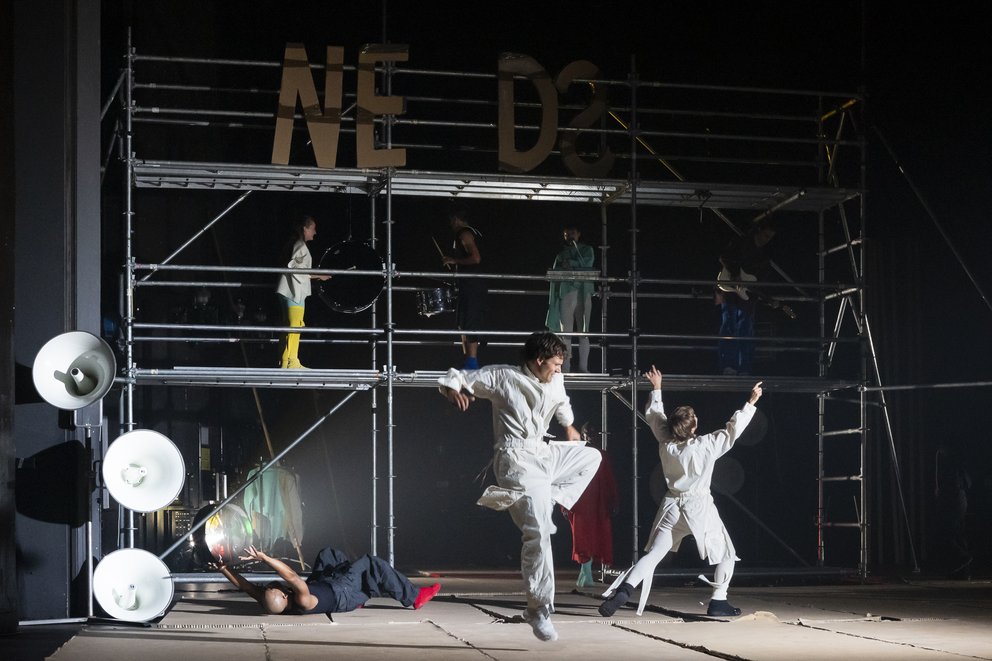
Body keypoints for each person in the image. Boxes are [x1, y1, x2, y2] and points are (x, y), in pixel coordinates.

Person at [438, 331, 602, 641]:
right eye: (554, 364)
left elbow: (563, 403)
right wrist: (451, 389)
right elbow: (459, 376)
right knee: (538, 532)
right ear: (539, 361)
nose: (558, 369)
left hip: (544, 453)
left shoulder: (555, 379)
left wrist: (568, 426)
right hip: (516, 460)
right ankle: (538, 609)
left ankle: (546, 498)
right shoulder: (504, 377)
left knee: (590, 457)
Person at [598, 366, 762, 618]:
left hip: (672, 506)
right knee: (726, 553)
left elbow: (655, 416)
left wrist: (657, 388)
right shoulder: (706, 445)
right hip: (699, 507)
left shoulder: (666, 444)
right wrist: (750, 402)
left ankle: (625, 589)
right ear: (694, 426)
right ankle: (718, 601)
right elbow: (733, 430)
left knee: (654, 554)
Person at [214, 544, 441, 615]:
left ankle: (362, 594)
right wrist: (264, 558)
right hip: (340, 591)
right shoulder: (303, 600)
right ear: (284, 595)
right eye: (276, 586)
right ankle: (414, 596)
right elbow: (291, 576)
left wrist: (223, 568)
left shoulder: (271, 602)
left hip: (324, 584)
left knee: (328, 554)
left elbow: (244, 586)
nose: (274, 584)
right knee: (370, 562)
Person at [559, 422, 618, 587]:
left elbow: (609, 480)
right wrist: (564, 504)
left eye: (594, 432)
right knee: (582, 537)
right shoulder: (577, 454)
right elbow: (568, 477)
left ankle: (585, 574)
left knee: (596, 536)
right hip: (581, 501)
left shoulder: (602, 455)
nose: (591, 435)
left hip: (598, 501)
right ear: (583, 435)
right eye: (588, 432)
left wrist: (613, 500)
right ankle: (585, 573)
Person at [715, 220, 776, 375]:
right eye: (765, 235)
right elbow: (724, 256)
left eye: (769, 237)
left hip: (747, 295)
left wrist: (768, 297)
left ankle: (744, 368)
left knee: (746, 328)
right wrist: (736, 275)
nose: (766, 239)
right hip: (730, 290)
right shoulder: (741, 243)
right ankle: (729, 366)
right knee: (729, 324)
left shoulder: (764, 256)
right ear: (758, 231)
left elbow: (760, 281)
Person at [275, 214, 328, 369]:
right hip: (294, 291)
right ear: (305, 228)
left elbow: (297, 269)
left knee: (289, 325)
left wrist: (317, 274)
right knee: (295, 324)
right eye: (313, 228)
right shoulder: (300, 245)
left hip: (289, 290)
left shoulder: (294, 244)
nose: (315, 232)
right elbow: (297, 269)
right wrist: (319, 275)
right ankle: (290, 360)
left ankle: (287, 360)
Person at [441, 204, 487, 369]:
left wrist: (455, 261)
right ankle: (468, 360)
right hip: (469, 285)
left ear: (456, 220)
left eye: (452, 221)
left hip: (472, 285)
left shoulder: (464, 233)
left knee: (470, 323)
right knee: (463, 324)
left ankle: (471, 363)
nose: (451, 224)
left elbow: (476, 258)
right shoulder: (472, 232)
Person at [545, 224, 596, 373]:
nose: (569, 236)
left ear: (579, 233)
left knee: (584, 331)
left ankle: (583, 367)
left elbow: (587, 263)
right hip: (567, 291)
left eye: (572, 233)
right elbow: (554, 273)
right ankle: (565, 367)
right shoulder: (561, 254)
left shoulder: (587, 250)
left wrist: (572, 263)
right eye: (567, 234)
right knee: (565, 331)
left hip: (583, 291)